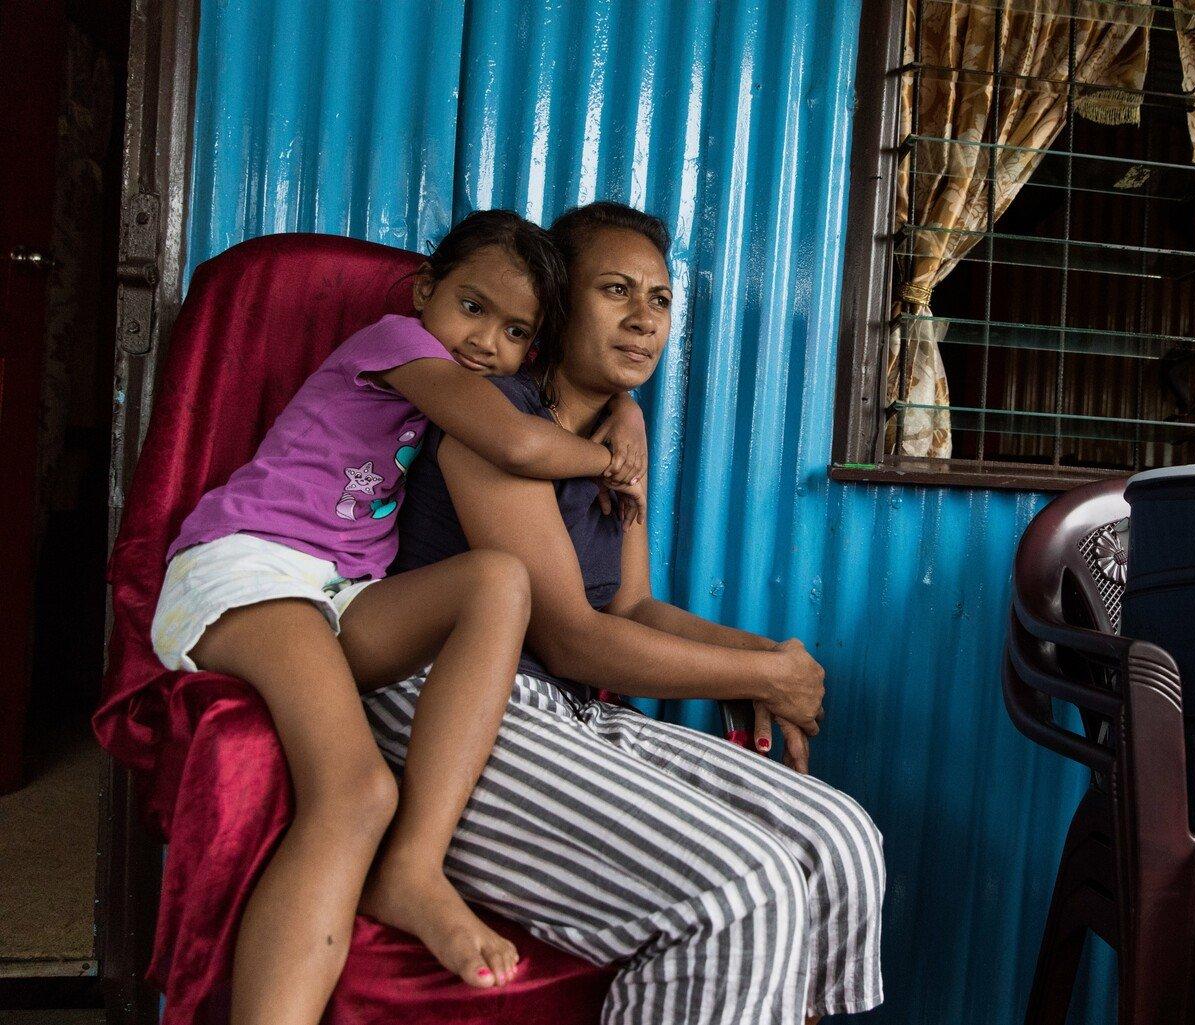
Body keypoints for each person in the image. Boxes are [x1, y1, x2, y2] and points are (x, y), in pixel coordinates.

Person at [366, 201, 885, 1025]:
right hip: (453, 710)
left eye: (661, 299)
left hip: (561, 713)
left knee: (839, 839)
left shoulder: (618, 439)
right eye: (617, 290)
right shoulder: (496, 426)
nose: (645, 318)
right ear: (560, 303)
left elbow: (633, 606)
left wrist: (776, 661)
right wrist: (763, 674)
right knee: (741, 886)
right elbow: (571, 636)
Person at [149, 210, 649, 1025]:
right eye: (473, 307)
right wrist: (611, 458)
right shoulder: (395, 343)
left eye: (517, 330)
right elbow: (520, 446)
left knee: (498, 579)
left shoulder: (472, 383)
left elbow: (546, 407)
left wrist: (623, 408)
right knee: (355, 792)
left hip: (337, 594)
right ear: (425, 292)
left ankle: (413, 864)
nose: (486, 341)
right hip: (250, 568)